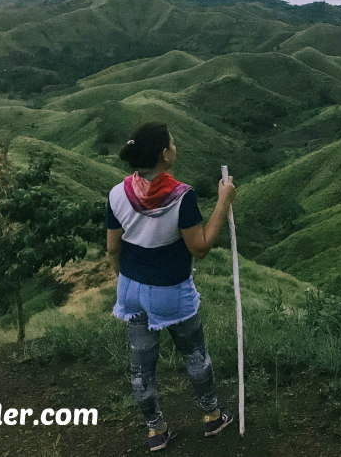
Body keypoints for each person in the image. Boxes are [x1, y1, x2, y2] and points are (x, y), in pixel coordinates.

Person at [106, 121, 237, 452]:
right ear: (165, 154)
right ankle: (211, 417)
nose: (176, 148)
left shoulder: (117, 193)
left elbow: (112, 248)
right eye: (173, 144)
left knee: (140, 366)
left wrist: (125, 277)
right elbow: (201, 248)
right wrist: (224, 200)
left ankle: (156, 431)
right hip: (171, 292)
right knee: (194, 354)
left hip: (130, 289)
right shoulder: (182, 197)